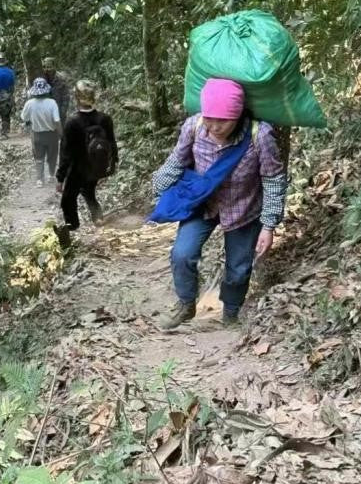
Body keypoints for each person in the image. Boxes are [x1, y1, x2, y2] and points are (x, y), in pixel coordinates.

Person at [152, 78, 289, 330]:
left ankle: (231, 314)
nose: (214, 126)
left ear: (237, 116)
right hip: (202, 204)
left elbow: (273, 179)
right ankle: (185, 303)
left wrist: (268, 225)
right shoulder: (194, 127)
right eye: (209, 118)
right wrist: (158, 190)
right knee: (182, 254)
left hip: (243, 207)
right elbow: (176, 162)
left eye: (223, 121)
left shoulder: (260, 136)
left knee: (238, 267)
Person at [56, 80, 118, 230]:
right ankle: (98, 219)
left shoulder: (72, 122)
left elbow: (65, 152)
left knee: (68, 200)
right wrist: (110, 167)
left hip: (77, 169)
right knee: (89, 192)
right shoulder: (105, 119)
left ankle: (72, 227)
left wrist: (60, 177)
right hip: (96, 168)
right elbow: (111, 144)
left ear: (76, 97)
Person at [21, 78, 62, 186]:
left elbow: (24, 118)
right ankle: (51, 176)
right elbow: (57, 120)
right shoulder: (52, 103)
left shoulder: (29, 103)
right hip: (51, 134)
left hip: (37, 134)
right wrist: (61, 133)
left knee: (38, 157)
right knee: (52, 156)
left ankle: (39, 179)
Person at [42, 56, 71, 123]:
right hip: (46, 113)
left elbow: (66, 96)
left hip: (59, 110)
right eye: (45, 67)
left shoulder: (61, 78)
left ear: (54, 66)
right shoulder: (42, 78)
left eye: (50, 67)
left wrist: (62, 112)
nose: (48, 69)